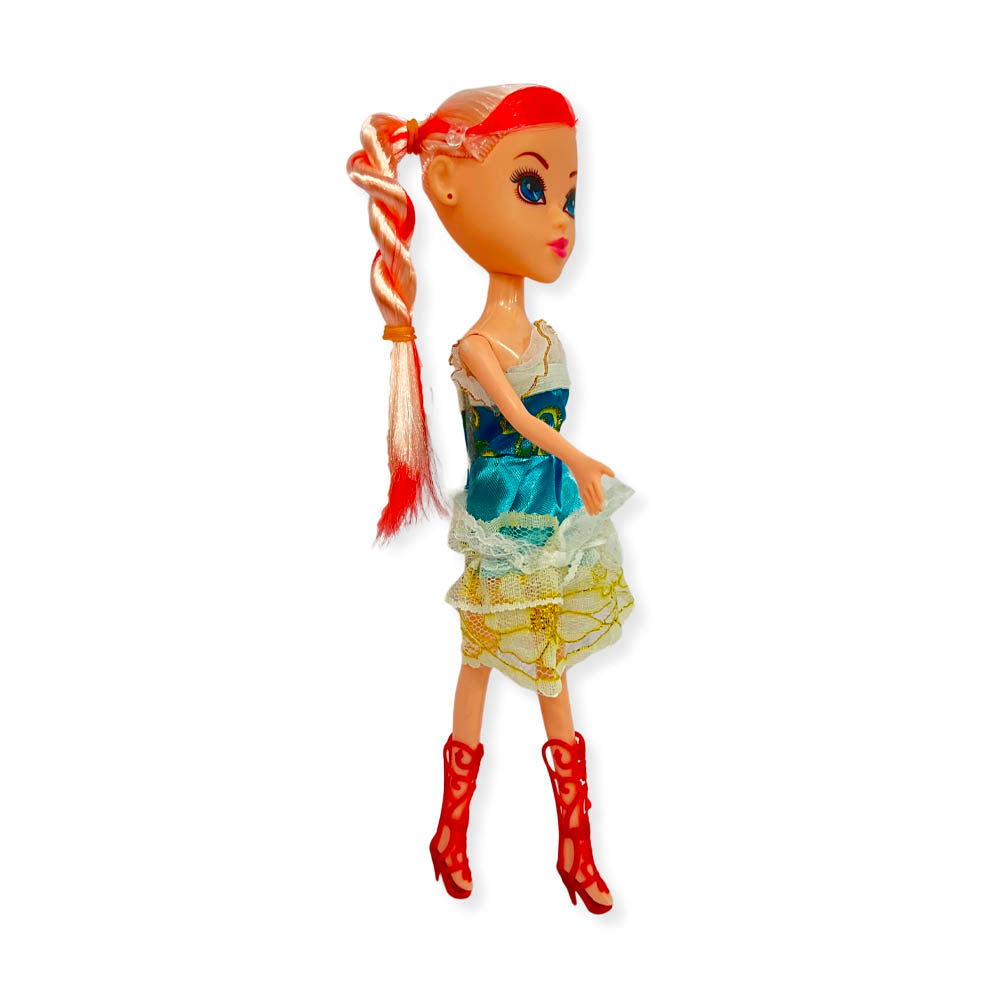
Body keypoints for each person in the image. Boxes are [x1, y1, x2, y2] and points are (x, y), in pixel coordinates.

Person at [347, 85, 634, 914]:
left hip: (550, 525)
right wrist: (580, 457)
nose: (563, 221)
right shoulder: (476, 346)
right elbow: (523, 422)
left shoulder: (543, 337)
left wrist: (572, 471)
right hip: (504, 525)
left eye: (569, 195)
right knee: (486, 663)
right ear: (446, 189)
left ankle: (570, 846)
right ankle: (459, 831)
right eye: (533, 187)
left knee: (543, 669)